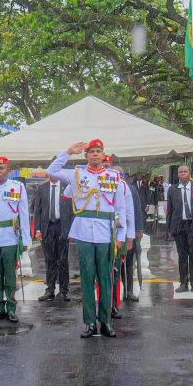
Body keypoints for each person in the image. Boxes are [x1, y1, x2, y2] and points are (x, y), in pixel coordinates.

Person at [46, 139, 126, 338]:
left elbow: (121, 209)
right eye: (91, 152)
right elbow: (52, 171)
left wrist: (121, 236)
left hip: (106, 231)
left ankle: (106, 321)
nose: (95, 154)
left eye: (98, 151)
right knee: (87, 278)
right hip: (83, 231)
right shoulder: (76, 174)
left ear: (103, 154)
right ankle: (90, 322)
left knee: (105, 278)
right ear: (86, 156)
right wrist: (67, 151)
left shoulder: (114, 176)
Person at [0, 157, 31, 324]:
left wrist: (26, 239)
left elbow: (24, 214)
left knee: (10, 274)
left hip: (10, 236)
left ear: (9, 170)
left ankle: (11, 308)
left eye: (2, 168)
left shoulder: (17, 187)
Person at [166, 165, 193, 293]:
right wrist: (169, 229)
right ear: (178, 175)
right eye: (181, 172)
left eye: (185, 171)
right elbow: (170, 211)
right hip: (179, 227)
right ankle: (183, 283)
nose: (183, 174)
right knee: (183, 256)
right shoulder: (173, 190)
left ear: (189, 174)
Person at [33, 175, 73, 301]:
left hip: (62, 226)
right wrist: (38, 229)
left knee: (62, 261)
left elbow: (73, 209)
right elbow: (37, 209)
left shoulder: (67, 187)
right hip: (48, 227)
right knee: (49, 260)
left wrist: (72, 229)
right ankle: (50, 289)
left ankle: (64, 290)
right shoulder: (42, 188)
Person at [110, 165, 138, 318]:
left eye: (120, 173)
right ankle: (103, 303)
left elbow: (129, 214)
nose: (117, 176)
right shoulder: (103, 183)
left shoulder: (125, 187)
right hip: (101, 232)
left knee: (115, 270)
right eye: (115, 173)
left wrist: (130, 237)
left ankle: (114, 304)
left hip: (118, 233)